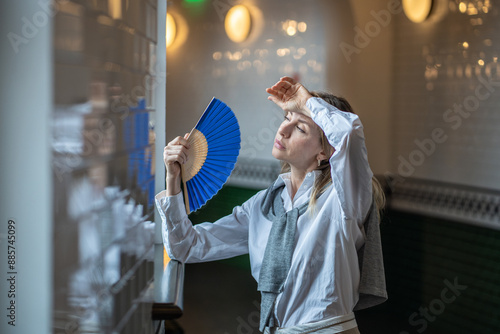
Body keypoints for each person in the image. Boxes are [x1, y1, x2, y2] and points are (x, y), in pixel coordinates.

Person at [156, 77, 387, 333]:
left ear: (324, 152)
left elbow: (349, 133)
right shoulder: (264, 206)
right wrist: (173, 179)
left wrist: (307, 102)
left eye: (301, 128)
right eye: (287, 118)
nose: (283, 130)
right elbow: (185, 247)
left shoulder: (343, 200)